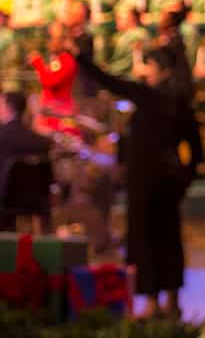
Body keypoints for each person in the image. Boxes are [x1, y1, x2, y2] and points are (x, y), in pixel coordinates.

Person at [71, 34, 190, 319]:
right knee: (168, 239)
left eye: (148, 65)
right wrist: (184, 179)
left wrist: (80, 57)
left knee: (145, 240)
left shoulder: (147, 96)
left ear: (163, 71)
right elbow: (195, 150)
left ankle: (151, 301)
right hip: (168, 182)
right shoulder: (180, 100)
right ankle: (171, 299)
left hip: (146, 183)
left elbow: (109, 81)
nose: (142, 70)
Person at [0, 92, 53, 223]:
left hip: (4, 201)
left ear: (8, 107)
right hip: (36, 202)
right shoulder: (41, 142)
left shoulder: (2, 138)